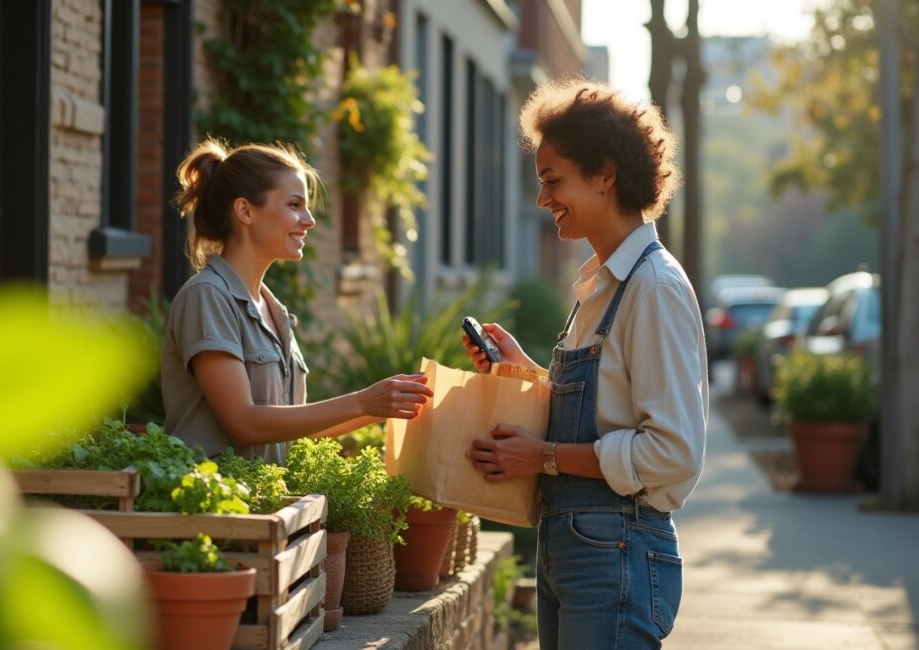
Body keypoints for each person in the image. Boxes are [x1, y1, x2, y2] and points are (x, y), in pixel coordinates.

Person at [463, 79, 708, 648]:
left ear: (605, 175)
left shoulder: (652, 287)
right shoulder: (603, 285)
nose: (542, 199)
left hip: (617, 550)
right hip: (580, 550)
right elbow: (605, 412)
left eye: (553, 181)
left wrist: (543, 456)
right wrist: (524, 372)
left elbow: (673, 451)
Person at [162, 138, 432, 464]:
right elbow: (243, 423)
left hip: (264, 496)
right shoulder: (207, 297)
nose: (309, 220)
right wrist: (362, 401)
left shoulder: (272, 310)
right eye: (294, 205)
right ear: (245, 211)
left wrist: (387, 403)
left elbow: (293, 428)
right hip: (212, 497)